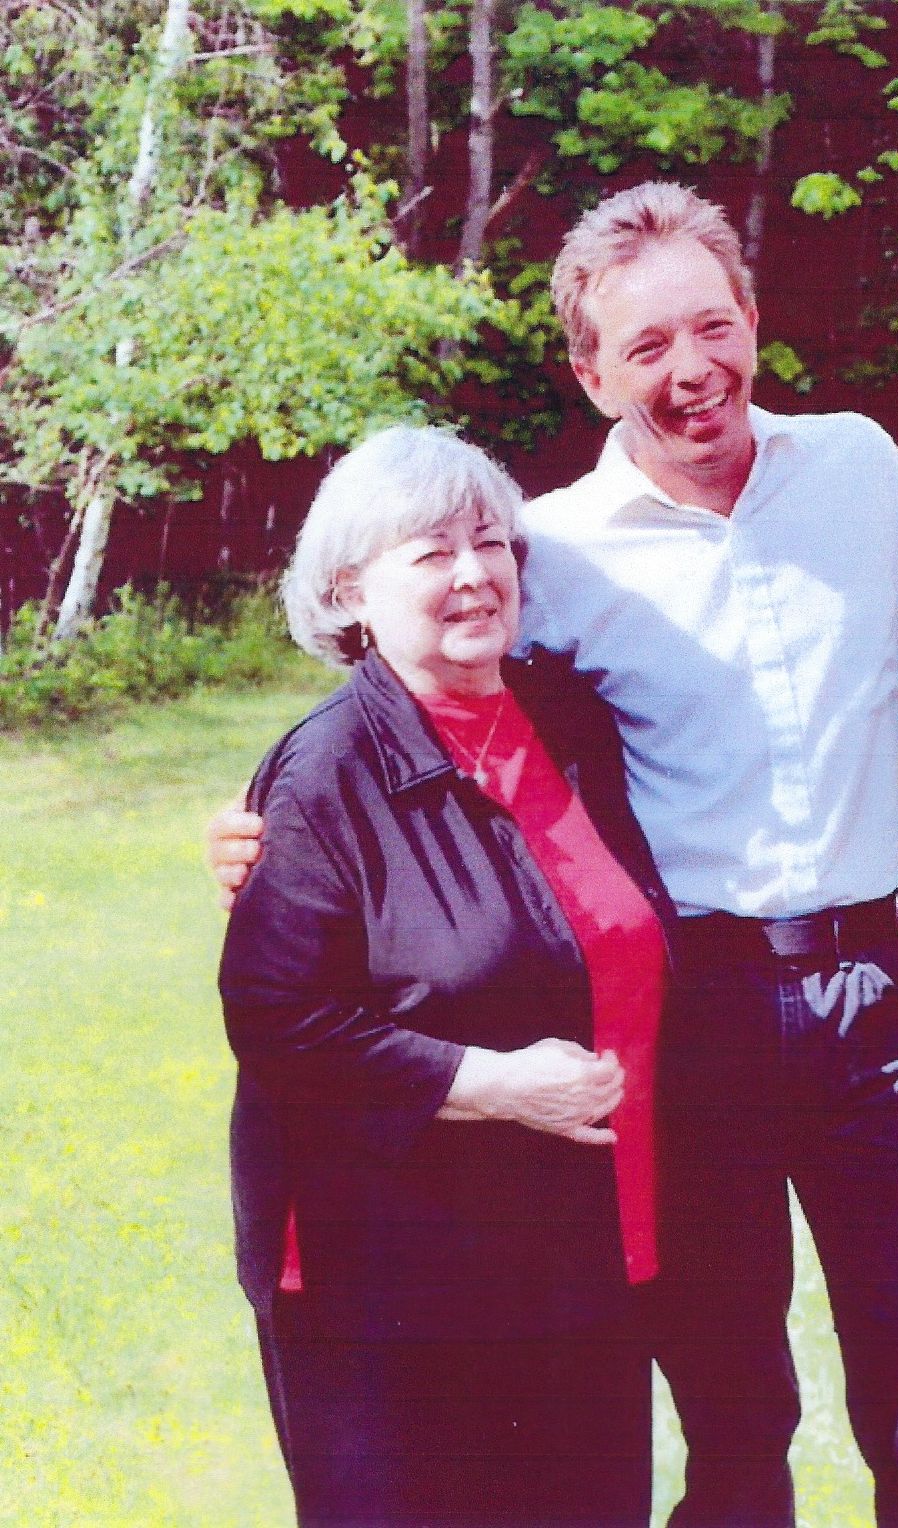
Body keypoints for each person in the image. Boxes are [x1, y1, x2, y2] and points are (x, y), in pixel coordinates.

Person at [214, 183, 898, 1528]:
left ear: (754, 318)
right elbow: (430, 712)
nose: (692, 369)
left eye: (714, 327)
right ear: (591, 372)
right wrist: (268, 825)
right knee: (728, 1401)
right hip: (691, 1014)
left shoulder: (867, 470)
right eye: (646, 347)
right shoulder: (558, 551)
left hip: (876, 991)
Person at [219, 425, 666, 1526]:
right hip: (391, 1275)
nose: (474, 574)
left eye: (489, 542)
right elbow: (278, 1018)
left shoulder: (567, 722)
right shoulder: (323, 770)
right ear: (350, 591)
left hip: (579, 1249)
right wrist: (490, 1082)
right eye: (430, 552)